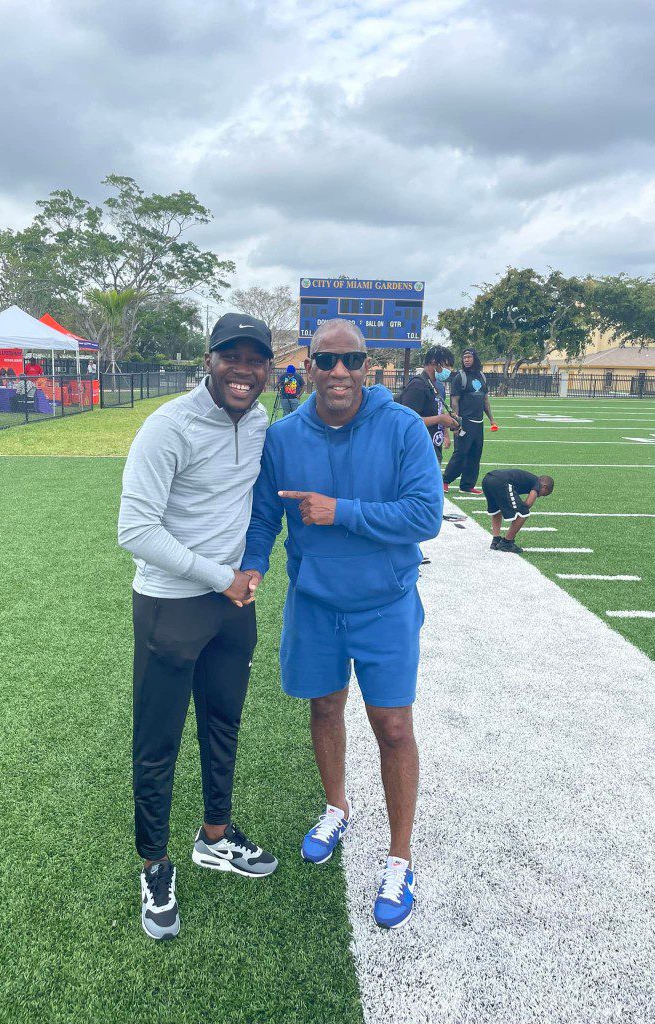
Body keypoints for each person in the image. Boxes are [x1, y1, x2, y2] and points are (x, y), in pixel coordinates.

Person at [242, 318, 443, 930]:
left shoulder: (402, 427)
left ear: (367, 366)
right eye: (326, 361)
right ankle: (336, 808)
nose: (338, 372)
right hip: (315, 605)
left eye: (351, 360)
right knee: (325, 710)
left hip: (385, 605)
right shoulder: (283, 437)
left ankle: (400, 859)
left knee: (393, 728)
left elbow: (426, 516)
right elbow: (263, 517)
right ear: (307, 366)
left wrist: (342, 512)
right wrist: (253, 567)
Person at [118, 313, 278, 942]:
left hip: (232, 604)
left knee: (223, 723)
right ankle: (154, 865)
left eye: (255, 359)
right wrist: (220, 577)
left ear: (268, 368)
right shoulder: (168, 426)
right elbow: (135, 530)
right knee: (158, 742)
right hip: (173, 603)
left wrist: (243, 574)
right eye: (231, 356)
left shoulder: (260, 421)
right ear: (209, 360)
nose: (244, 370)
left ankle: (215, 835)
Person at [442, 347, 497, 495]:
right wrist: (456, 422)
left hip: (478, 423)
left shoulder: (482, 376)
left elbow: (485, 400)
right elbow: (454, 400)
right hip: (464, 422)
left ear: (475, 358)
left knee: (475, 455)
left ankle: (467, 485)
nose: (466, 360)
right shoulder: (460, 377)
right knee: (460, 453)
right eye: (464, 357)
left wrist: (491, 420)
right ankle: (445, 481)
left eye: (469, 357)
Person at [395, 345, 459, 467]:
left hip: (432, 448)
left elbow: (436, 412)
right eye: (446, 365)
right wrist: (439, 419)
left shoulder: (434, 385)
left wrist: (446, 422)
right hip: (419, 451)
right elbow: (407, 420)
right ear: (434, 362)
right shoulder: (418, 385)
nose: (449, 370)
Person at [482, 469, 555, 553]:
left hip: (488, 479)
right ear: (545, 487)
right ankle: (506, 543)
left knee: (497, 508)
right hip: (502, 481)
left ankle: (496, 540)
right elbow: (528, 504)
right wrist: (519, 506)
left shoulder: (530, 479)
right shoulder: (537, 483)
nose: (539, 496)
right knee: (523, 513)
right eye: (542, 494)